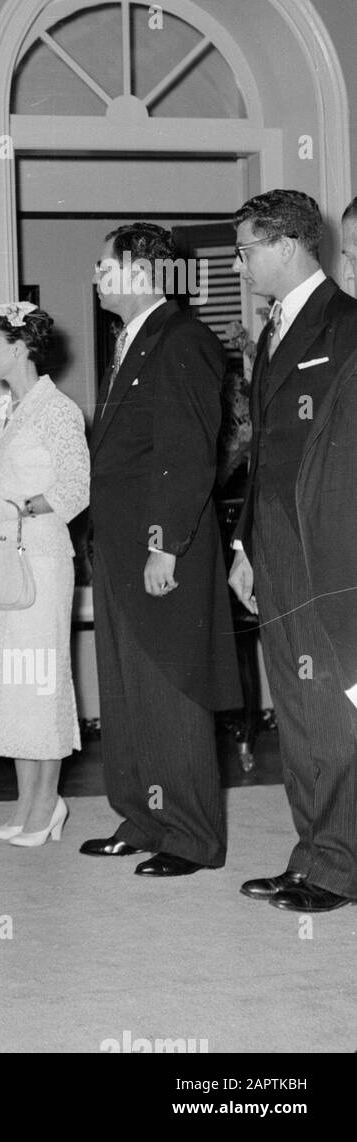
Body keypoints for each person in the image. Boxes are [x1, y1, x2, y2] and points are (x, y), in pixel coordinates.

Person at [85, 223, 241, 877]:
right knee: (126, 693)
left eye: (104, 264)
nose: (95, 275)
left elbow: (184, 455)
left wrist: (165, 547)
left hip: (159, 552)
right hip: (118, 551)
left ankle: (190, 835)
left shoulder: (182, 341)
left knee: (170, 689)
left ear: (143, 274)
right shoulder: (134, 340)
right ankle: (144, 819)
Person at [228, 190, 357, 913]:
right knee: (297, 711)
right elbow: (265, 452)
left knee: (331, 713)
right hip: (273, 545)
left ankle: (339, 867)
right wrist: (245, 544)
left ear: (287, 245)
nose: (241, 264)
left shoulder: (347, 325)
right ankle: (311, 854)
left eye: (248, 249)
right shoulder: (273, 329)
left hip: (327, 548)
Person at [0, 304, 89, 846]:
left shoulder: (57, 411)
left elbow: (74, 492)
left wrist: (15, 508)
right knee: (8, 680)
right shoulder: (2, 411)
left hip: (39, 557)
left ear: (20, 348)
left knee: (38, 681)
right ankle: (27, 803)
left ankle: (46, 806)